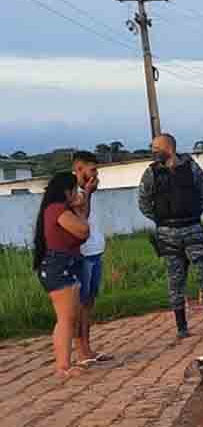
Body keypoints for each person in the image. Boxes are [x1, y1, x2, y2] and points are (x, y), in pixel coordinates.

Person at [137, 133, 203, 338]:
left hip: (193, 229)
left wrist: (190, 215)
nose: (153, 151)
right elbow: (144, 203)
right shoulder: (151, 173)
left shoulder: (191, 167)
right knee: (175, 281)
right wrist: (162, 220)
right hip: (167, 234)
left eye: (157, 147)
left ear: (169, 147)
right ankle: (181, 327)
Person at [33, 172, 90, 378]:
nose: (77, 193)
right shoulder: (57, 209)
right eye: (75, 189)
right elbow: (82, 230)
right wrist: (79, 209)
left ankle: (63, 363)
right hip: (58, 265)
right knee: (66, 318)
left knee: (67, 318)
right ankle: (63, 365)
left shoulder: (57, 209)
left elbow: (82, 232)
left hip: (62, 263)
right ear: (67, 191)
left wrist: (79, 208)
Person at [72, 151, 113, 365]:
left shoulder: (90, 191)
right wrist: (87, 192)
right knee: (80, 303)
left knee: (89, 302)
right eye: (93, 169)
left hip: (95, 250)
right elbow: (82, 218)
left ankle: (87, 348)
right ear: (79, 169)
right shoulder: (73, 192)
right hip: (83, 254)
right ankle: (81, 350)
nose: (96, 174)